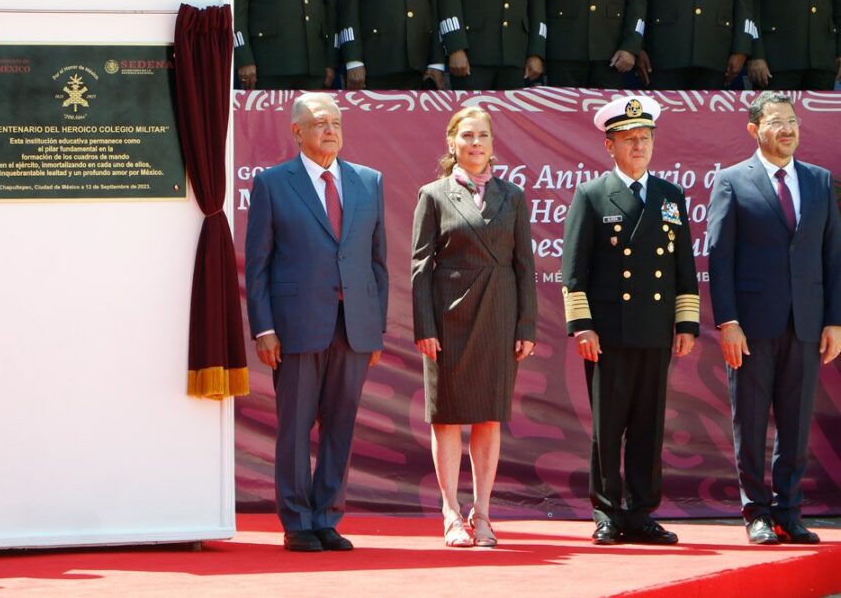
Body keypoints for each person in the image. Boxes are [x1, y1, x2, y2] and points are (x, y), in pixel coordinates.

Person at [245, 93, 388, 552]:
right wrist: (264, 328)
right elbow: (258, 264)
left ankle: (327, 516)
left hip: (355, 326)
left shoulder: (369, 181)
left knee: (341, 425)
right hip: (295, 326)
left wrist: (375, 326)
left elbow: (377, 262)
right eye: (320, 123)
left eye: (336, 122)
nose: (330, 130)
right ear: (297, 132)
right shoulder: (272, 183)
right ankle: (297, 521)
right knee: (295, 427)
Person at [561, 95, 698, 546]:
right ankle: (606, 511)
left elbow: (683, 268)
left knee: (648, 424)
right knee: (609, 425)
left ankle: (640, 512)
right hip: (609, 333)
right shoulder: (592, 194)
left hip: (655, 330)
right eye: (629, 139)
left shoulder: (670, 196)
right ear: (609, 145)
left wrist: (685, 324)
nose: (639, 146)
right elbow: (574, 272)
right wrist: (583, 326)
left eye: (645, 138)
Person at [706, 92, 841, 547]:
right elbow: (719, 258)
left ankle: (788, 511)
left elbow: (833, 258)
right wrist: (728, 321)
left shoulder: (820, 181)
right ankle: (756, 512)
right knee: (751, 422)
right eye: (777, 121)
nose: (788, 129)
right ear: (754, 129)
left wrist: (834, 321)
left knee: (797, 422)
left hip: (805, 323)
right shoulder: (731, 181)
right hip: (750, 325)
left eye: (793, 121)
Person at [411, 107, 536, 548]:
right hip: (448, 319)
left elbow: (525, 266)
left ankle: (482, 514)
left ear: (492, 144)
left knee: (488, 417)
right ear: (452, 143)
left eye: (483, 136)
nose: (476, 143)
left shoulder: (513, 195)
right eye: (467, 135)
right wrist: (424, 325)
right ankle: (449, 513)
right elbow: (420, 267)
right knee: (446, 419)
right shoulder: (433, 194)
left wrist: (526, 325)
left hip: (500, 316)